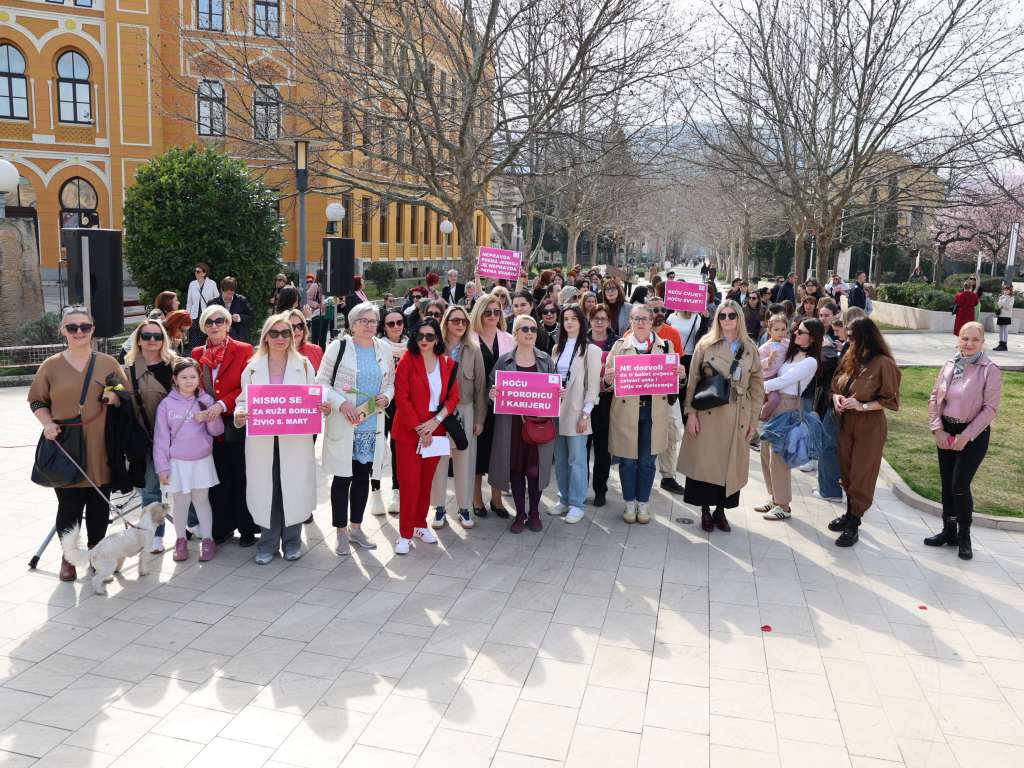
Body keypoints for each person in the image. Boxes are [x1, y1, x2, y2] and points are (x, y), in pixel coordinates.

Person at [29, 306, 127, 582]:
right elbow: (37, 400)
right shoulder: (51, 365)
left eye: (84, 327)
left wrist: (113, 395)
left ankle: (96, 556)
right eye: (72, 328)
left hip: (102, 445)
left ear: (92, 330)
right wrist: (47, 423)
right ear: (64, 332)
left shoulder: (108, 362)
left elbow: (123, 389)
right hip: (66, 444)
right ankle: (69, 558)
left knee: (99, 505)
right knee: (69, 506)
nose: (79, 332)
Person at [235, 313, 321, 564]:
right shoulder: (252, 367)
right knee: (267, 491)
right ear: (265, 337)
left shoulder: (304, 365)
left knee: (292, 489)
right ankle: (268, 544)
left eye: (286, 333)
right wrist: (240, 415)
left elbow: (312, 399)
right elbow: (243, 401)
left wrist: (319, 407)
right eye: (275, 333)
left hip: (294, 440)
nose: (281, 338)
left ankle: (293, 542)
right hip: (263, 441)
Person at [680, 300, 764, 532]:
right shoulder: (706, 344)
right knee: (706, 463)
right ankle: (705, 510)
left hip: (738, 414)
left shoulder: (750, 349)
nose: (727, 320)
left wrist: (753, 421)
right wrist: (691, 414)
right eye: (722, 316)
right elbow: (693, 381)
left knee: (730, 464)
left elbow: (757, 388)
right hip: (709, 413)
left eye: (731, 315)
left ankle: (721, 511)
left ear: (740, 318)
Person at [319, 302, 395, 555]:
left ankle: (356, 527)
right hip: (345, 422)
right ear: (352, 324)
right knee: (343, 478)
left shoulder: (383, 348)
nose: (369, 325)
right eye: (364, 320)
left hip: (371, 424)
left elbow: (390, 383)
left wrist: (387, 397)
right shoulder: (338, 348)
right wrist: (341, 404)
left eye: (373, 321)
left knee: (364, 478)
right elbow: (322, 384)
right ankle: (340, 532)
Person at [924, 322, 1001, 560]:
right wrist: (937, 429)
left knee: (959, 484)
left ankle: (964, 536)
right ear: (959, 339)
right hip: (946, 430)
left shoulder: (990, 369)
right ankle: (948, 531)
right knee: (947, 483)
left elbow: (990, 409)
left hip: (973, 435)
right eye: (965, 339)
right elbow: (935, 398)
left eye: (974, 340)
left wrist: (966, 436)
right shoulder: (949, 364)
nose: (969, 344)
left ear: (983, 342)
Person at [605, 305, 682, 524]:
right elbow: (608, 384)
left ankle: (643, 504)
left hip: (653, 412)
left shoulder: (665, 347)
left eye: (645, 319)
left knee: (648, 461)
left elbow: (673, 387)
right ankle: (629, 503)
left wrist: (680, 376)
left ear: (652, 322)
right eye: (636, 318)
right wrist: (609, 380)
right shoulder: (620, 347)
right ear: (630, 321)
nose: (640, 323)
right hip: (626, 411)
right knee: (628, 460)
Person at [828, 318, 901, 547]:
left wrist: (862, 406)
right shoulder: (851, 357)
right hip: (845, 423)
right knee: (847, 470)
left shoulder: (883, 363)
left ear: (865, 336)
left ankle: (854, 523)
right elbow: (834, 384)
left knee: (862, 473)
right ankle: (849, 513)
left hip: (869, 425)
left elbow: (890, 400)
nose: (846, 340)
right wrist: (836, 397)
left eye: (851, 336)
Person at [191, 304, 258, 546]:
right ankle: (222, 527)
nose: (215, 325)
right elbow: (193, 385)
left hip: (235, 420)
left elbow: (246, 386)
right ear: (204, 327)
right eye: (209, 322)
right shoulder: (198, 353)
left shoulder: (243, 349)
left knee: (240, 477)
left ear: (228, 324)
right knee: (216, 480)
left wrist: (222, 404)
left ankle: (247, 528)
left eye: (220, 320)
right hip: (209, 426)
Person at [392, 318, 460, 554]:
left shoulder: (447, 363)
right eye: (420, 336)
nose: (424, 341)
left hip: (437, 429)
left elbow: (453, 397)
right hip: (410, 431)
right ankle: (405, 533)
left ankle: (420, 524)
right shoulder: (407, 360)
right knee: (409, 484)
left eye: (429, 336)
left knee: (425, 483)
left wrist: (435, 422)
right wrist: (420, 428)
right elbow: (401, 397)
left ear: (437, 339)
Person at [488, 314, 557, 532]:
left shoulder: (546, 360)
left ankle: (535, 512)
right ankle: (520, 513)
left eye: (533, 329)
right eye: (524, 329)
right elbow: (492, 386)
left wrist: (559, 393)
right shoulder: (504, 360)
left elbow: (554, 390)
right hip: (513, 426)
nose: (530, 333)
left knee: (535, 471)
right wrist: (492, 394)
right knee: (517, 470)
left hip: (539, 424)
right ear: (515, 334)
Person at [154, 358, 223, 562]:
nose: (188, 381)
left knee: (202, 500)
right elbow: (160, 438)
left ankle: (208, 540)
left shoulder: (206, 400)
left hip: (202, 459)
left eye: (193, 376)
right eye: (183, 377)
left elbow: (217, 431)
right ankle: (180, 540)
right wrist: (162, 468)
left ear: (199, 378)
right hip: (177, 462)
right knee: (180, 502)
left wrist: (210, 418)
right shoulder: (166, 405)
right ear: (175, 379)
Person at [756, 319, 823, 521]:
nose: (795, 333)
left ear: (812, 337)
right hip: (774, 403)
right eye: (796, 330)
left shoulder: (810, 361)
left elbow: (786, 381)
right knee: (765, 453)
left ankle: (783, 505)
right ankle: (774, 498)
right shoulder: (792, 354)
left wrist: (760, 386)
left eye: (800, 331)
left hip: (788, 405)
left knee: (779, 457)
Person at [430, 305, 487, 529]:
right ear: (446, 322)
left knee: (465, 459)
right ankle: (439, 508)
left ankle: (464, 508)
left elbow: (481, 386)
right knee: (439, 460)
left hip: (465, 409)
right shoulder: (435, 347)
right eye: (455, 321)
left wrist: (480, 418)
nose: (460, 325)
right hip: (438, 412)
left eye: (463, 321)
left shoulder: (474, 349)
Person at [123, 319, 175, 553]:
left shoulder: (177, 365)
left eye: (157, 336)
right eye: (147, 336)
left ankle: (192, 528)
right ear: (138, 340)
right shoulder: (129, 369)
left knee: (186, 487)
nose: (152, 340)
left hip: (179, 438)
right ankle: (155, 536)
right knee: (151, 489)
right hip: (148, 438)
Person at [549, 305, 602, 524]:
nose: (569, 322)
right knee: (560, 460)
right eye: (566, 319)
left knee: (577, 460)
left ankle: (577, 504)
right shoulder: (556, 349)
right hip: (556, 411)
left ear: (581, 322)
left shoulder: (591, 350)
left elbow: (593, 387)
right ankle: (564, 498)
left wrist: (586, 414)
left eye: (574, 318)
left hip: (577, 412)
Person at [470, 294, 514, 518]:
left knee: (500, 452)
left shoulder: (508, 338)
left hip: (503, 406)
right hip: (477, 405)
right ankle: (476, 498)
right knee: (478, 453)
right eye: (488, 312)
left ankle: (497, 499)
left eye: (497, 312)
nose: (493, 316)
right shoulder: (469, 338)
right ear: (479, 313)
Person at [370, 308, 407, 515]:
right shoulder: (377, 346)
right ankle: (375, 493)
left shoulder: (411, 346)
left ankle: (397, 491)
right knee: (377, 448)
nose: (396, 327)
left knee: (398, 449)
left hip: (402, 404)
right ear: (383, 326)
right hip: (380, 403)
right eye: (391, 323)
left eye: (399, 322)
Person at [586, 304, 619, 507]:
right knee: (581, 449)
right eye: (596, 318)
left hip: (606, 403)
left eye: (603, 318)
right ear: (590, 320)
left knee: (602, 451)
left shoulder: (617, 343)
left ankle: (600, 490)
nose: (599, 321)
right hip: (584, 402)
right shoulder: (581, 341)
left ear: (609, 321)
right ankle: (580, 489)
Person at [209, 276, 255, 343]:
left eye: (231, 293)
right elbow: (207, 321)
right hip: (218, 339)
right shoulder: (213, 303)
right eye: (227, 294)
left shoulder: (242, 300)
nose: (229, 296)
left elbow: (252, 317)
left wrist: (240, 317)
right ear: (221, 290)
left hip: (239, 339)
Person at [186, 262, 219, 350]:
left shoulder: (212, 283)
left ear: (204, 273)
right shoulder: (192, 284)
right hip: (194, 317)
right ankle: (194, 359)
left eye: (198, 271)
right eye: (195, 271)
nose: (196, 273)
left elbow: (217, 300)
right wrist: (187, 316)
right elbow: (189, 302)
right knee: (194, 341)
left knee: (206, 338)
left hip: (207, 315)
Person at [305, 272, 328, 349]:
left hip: (326, 315)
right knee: (316, 339)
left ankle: (322, 357)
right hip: (317, 315)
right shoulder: (315, 286)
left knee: (323, 339)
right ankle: (315, 357)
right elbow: (307, 299)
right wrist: (318, 305)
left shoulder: (327, 286)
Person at [995, 284, 1014, 351]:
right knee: (1000, 330)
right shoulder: (1001, 297)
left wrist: (1003, 303)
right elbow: (999, 305)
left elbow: (1009, 306)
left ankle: (1004, 345)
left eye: (1007, 290)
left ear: (1010, 291)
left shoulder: (1011, 298)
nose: (1005, 291)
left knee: (1005, 330)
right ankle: (1000, 344)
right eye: (1004, 290)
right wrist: (1002, 303)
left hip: (1007, 315)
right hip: (1001, 315)